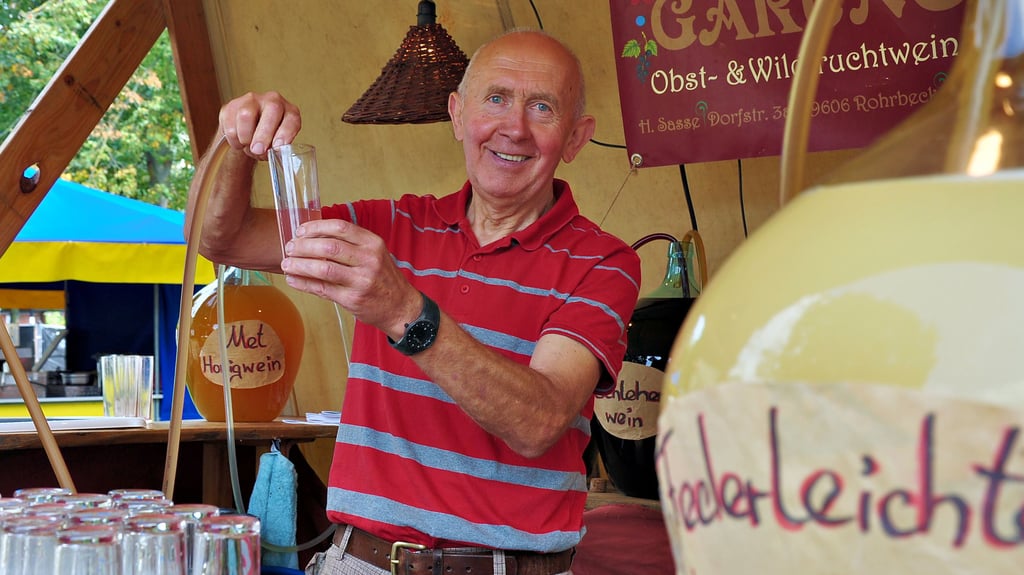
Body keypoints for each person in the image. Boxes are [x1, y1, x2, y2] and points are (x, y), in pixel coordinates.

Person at [186, 29, 641, 575]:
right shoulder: (391, 225)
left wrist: (404, 310)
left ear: (575, 137)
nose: (514, 128)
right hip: (363, 562)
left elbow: (537, 421)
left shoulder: (603, 261)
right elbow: (219, 238)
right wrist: (237, 143)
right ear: (457, 115)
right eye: (495, 99)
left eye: (542, 108)